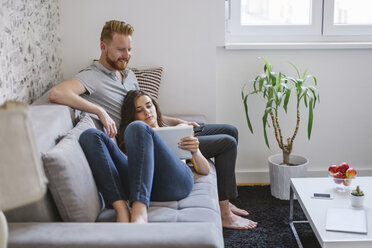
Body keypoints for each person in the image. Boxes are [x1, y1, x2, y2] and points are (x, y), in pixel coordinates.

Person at [49, 20, 257, 229]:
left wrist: (177, 122)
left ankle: (226, 203)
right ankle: (219, 212)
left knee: (230, 131)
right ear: (103, 47)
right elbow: (58, 93)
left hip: (154, 134)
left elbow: (147, 111)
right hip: (137, 138)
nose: (127, 55)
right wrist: (99, 111)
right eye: (121, 49)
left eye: (129, 49)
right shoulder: (91, 77)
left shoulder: (128, 75)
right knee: (223, 142)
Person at [79, 90, 210, 223]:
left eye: (148, 106)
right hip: (139, 185)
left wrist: (195, 151)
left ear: (155, 107)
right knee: (89, 135)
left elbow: (205, 170)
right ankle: (121, 209)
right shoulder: (132, 135)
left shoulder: (179, 129)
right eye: (139, 110)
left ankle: (139, 211)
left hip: (174, 182)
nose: (147, 112)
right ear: (133, 115)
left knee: (138, 127)